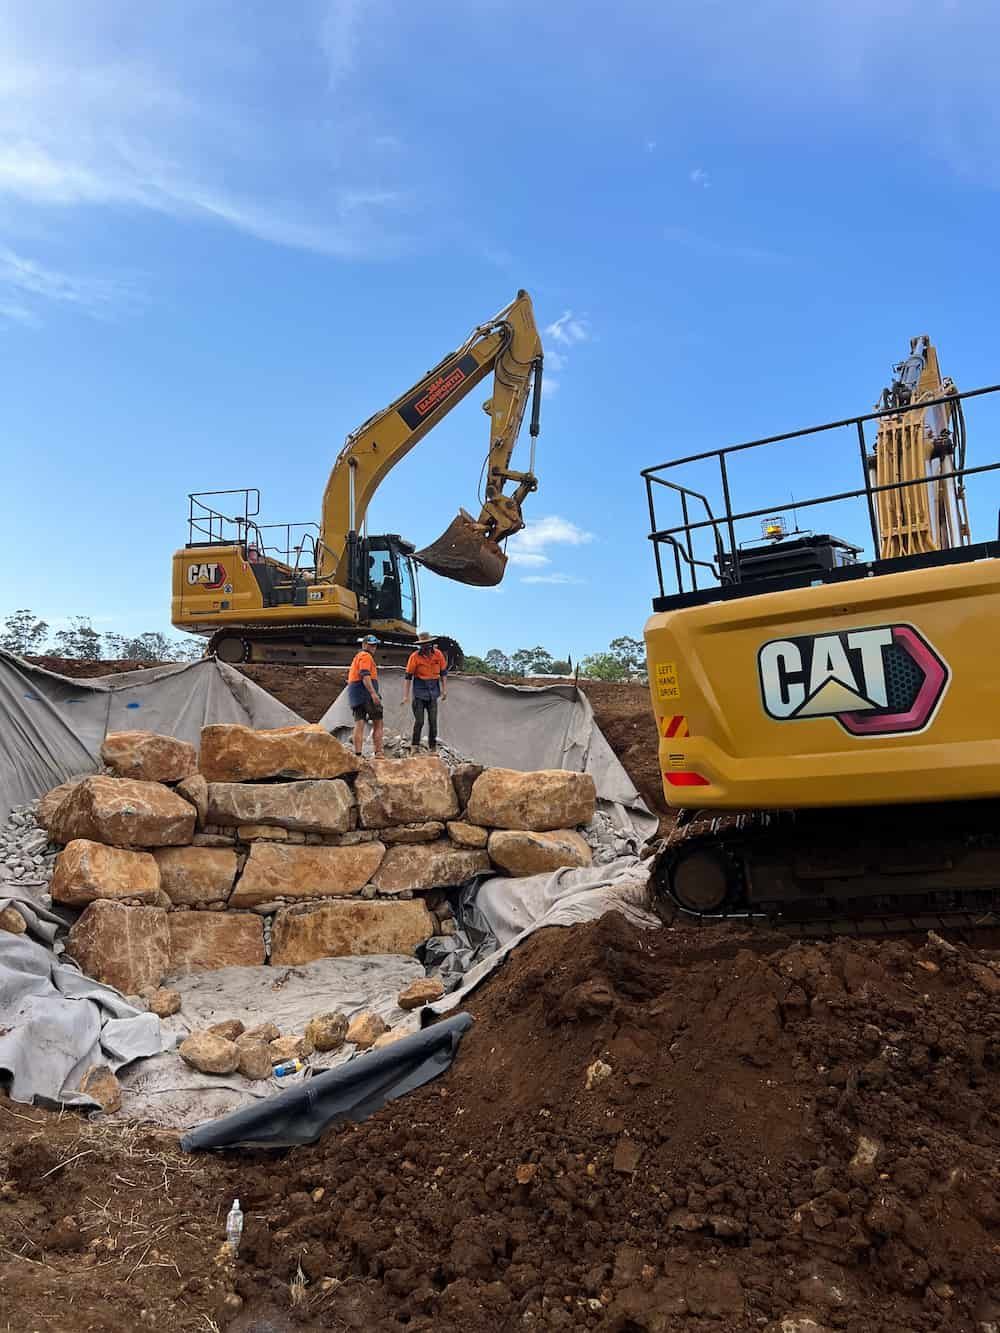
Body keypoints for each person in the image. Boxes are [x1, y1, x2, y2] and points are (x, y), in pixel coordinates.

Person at [403, 632, 448, 751]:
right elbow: (408, 676)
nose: (425, 647)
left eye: (427, 644)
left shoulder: (438, 655)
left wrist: (444, 690)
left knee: (433, 721)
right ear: (420, 646)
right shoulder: (414, 657)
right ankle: (415, 745)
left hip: (433, 691)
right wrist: (406, 696)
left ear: (431, 643)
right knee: (420, 721)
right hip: (419, 692)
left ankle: (432, 747)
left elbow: (443, 673)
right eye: (422, 645)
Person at [347, 634, 384, 758]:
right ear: (364, 645)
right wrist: (373, 694)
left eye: (375, 645)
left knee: (359, 723)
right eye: (371, 645)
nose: (373, 647)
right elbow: (365, 675)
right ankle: (378, 753)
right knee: (378, 722)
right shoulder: (366, 656)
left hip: (355, 695)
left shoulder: (357, 657)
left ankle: (357, 754)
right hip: (366, 694)